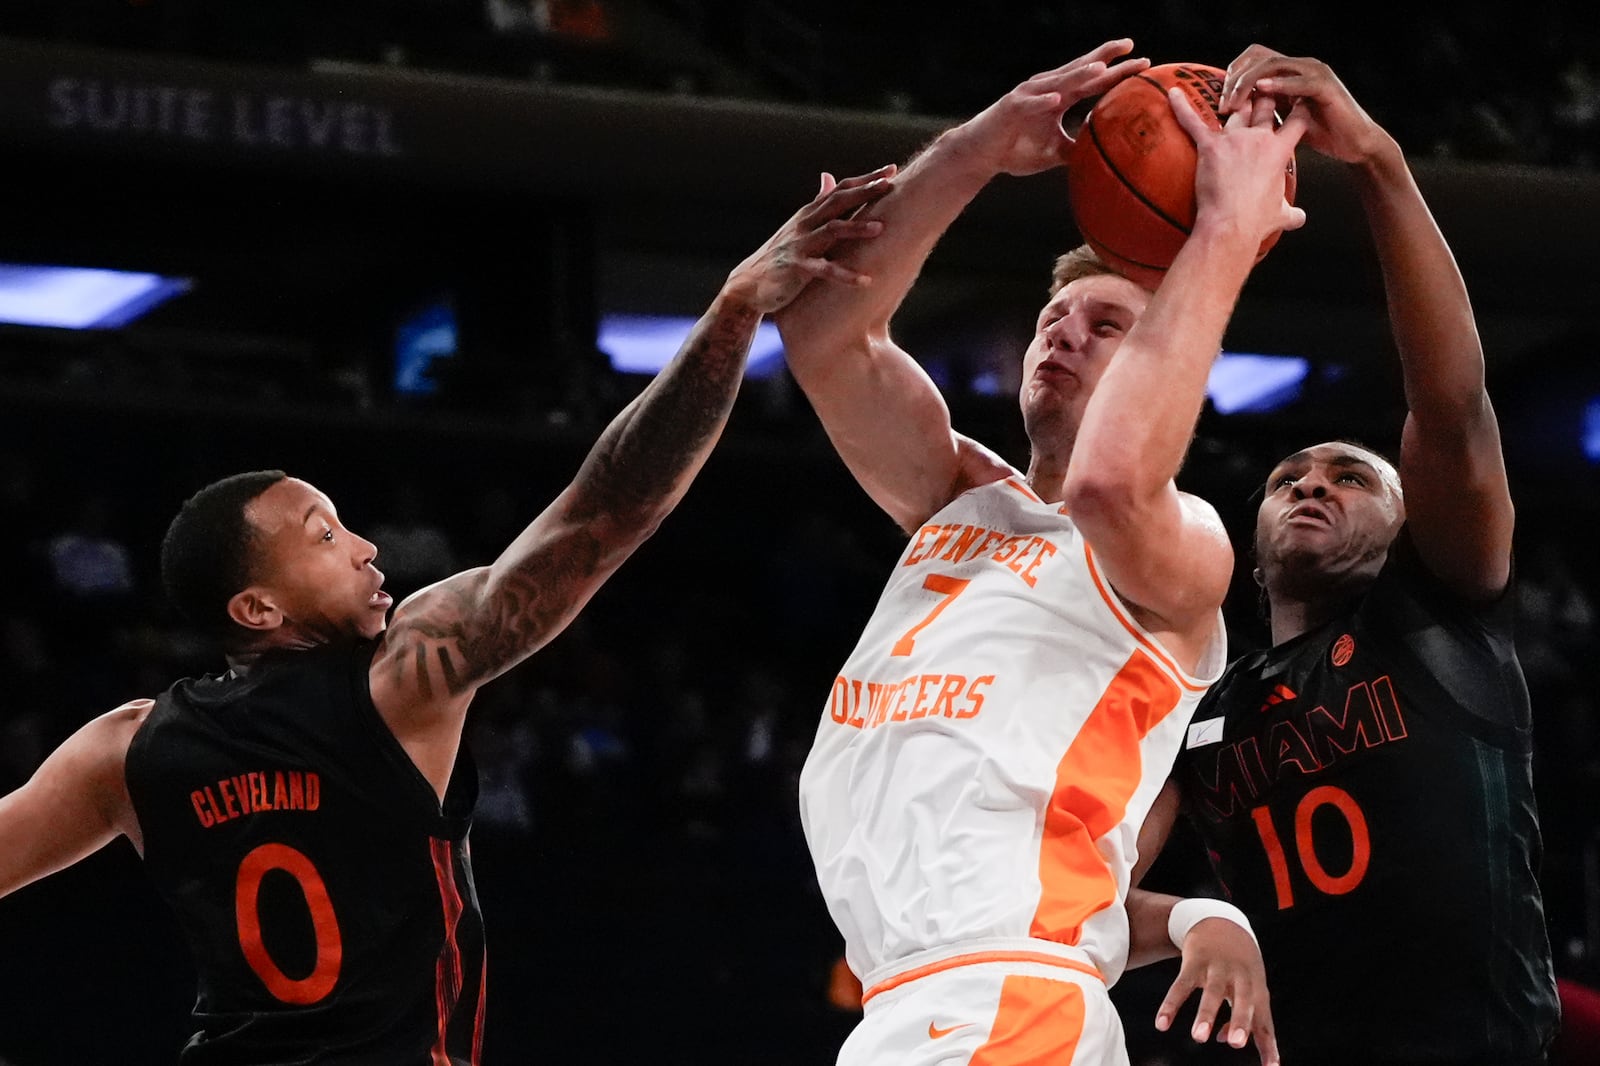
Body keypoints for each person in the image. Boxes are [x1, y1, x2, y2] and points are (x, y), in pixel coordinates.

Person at [0, 165, 895, 1064]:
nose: (366, 548)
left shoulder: (123, 750)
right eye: (324, 536)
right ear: (258, 606)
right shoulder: (399, 681)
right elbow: (608, 508)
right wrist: (736, 310)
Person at [775, 38, 1306, 1066]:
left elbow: (1113, 482)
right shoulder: (961, 500)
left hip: (1006, 995)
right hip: (910, 997)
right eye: (1051, 319)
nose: (1060, 334)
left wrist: (1227, 235)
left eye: (1105, 325)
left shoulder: (1187, 555)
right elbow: (824, 330)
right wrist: (974, 147)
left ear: (1176, 367)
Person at [1148, 46, 1562, 1066]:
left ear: (1406, 523)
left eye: (1349, 477)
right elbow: (1085, 884)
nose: (1311, 485)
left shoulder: (1438, 616)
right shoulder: (1200, 712)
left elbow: (1451, 405)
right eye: (1287, 479)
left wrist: (1375, 160)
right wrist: (1196, 919)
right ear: (1249, 553)